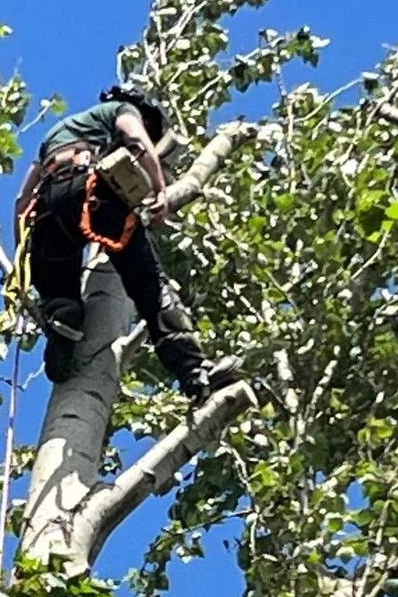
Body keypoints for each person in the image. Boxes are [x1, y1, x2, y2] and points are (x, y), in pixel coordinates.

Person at [14, 86, 241, 401]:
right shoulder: (121, 110)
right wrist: (159, 187)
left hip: (47, 212)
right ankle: (194, 370)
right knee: (149, 285)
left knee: (57, 292)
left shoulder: (57, 133)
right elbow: (136, 139)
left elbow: (22, 202)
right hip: (92, 193)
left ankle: (63, 320)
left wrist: (22, 263)